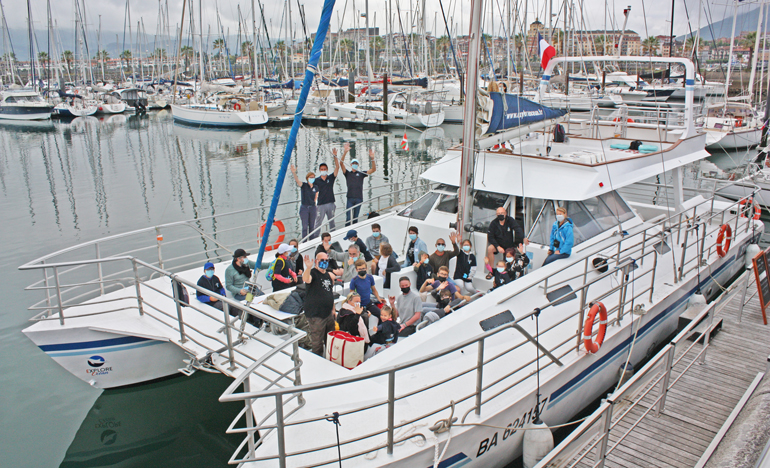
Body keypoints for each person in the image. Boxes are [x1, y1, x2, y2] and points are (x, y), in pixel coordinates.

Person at [302, 252, 337, 356]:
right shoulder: (313, 273)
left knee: (331, 339)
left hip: (328, 313)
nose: (324, 262)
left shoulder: (328, 275)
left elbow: (329, 293)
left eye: (326, 260)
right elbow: (306, 279)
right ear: (316, 261)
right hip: (316, 314)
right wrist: (308, 268)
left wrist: (333, 309)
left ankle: (331, 357)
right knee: (317, 342)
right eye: (322, 260)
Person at [340, 144, 377, 225]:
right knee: (348, 218)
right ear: (351, 164)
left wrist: (372, 158)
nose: (355, 164)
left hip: (358, 198)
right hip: (350, 198)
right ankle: (347, 231)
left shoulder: (361, 173)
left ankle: (354, 232)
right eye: (353, 163)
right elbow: (341, 164)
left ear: (358, 165)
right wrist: (345, 152)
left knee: (355, 218)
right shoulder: (347, 174)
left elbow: (373, 169)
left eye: (356, 163)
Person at [486, 207, 529, 278]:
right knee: (490, 248)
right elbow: (490, 237)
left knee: (508, 257)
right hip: (498, 245)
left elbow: (517, 228)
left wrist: (523, 238)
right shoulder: (493, 223)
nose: (500, 215)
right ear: (496, 214)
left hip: (508, 245)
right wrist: (497, 246)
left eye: (502, 213)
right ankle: (491, 271)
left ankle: (507, 274)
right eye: (499, 213)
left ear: (505, 213)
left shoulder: (510, 220)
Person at [314, 153, 341, 233]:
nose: (323, 170)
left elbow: (337, 167)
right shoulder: (316, 180)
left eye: (324, 169)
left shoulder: (331, 178)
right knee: (318, 223)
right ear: (319, 170)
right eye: (322, 169)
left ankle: (333, 235)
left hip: (330, 203)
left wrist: (335, 156)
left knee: (332, 222)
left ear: (327, 169)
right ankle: (314, 238)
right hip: (321, 204)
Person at [289, 165, 318, 239]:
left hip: (312, 207)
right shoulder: (304, 185)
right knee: (305, 227)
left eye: (313, 177)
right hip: (304, 207)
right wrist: (294, 173)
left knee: (312, 226)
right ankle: (304, 241)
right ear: (307, 178)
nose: (312, 179)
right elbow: (298, 181)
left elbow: (316, 196)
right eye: (310, 177)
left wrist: (315, 204)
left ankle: (312, 240)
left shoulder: (315, 187)